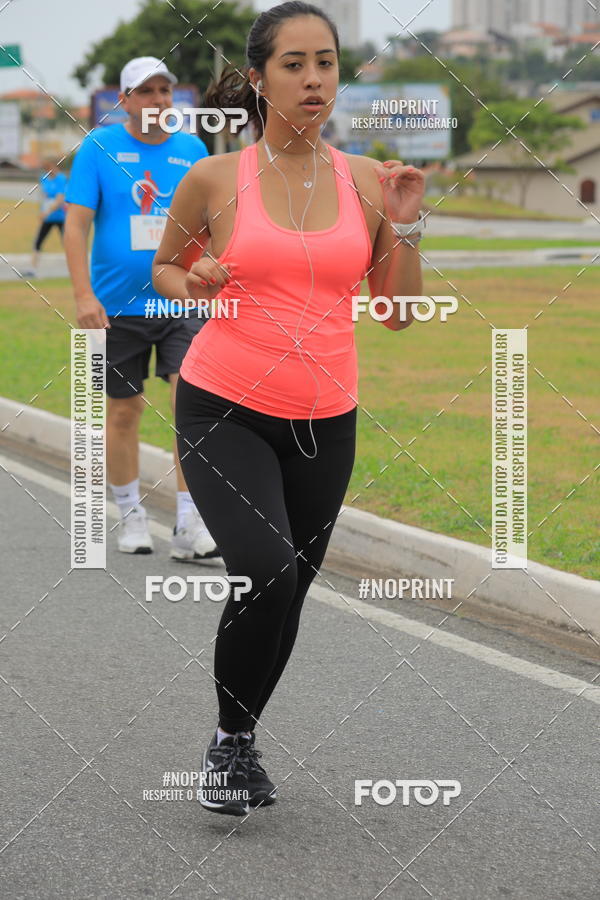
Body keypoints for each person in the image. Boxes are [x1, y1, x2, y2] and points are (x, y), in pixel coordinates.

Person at [152, 1, 425, 816]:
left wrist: (407, 232)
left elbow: (400, 313)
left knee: (291, 588)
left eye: (328, 62)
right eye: (295, 64)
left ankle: (238, 738)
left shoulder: (371, 181)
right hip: (221, 407)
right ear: (260, 77)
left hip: (325, 419)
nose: (314, 79)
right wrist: (192, 283)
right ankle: (230, 746)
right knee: (265, 568)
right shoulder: (212, 178)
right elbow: (165, 269)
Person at [65, 57, 220, 559]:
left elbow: (212, 224)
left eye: (164, 91)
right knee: (124, 411)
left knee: (188, 409)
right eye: (146, 91)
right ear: (125, 100)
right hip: (116, 307)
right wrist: (84, 296)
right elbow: (75, 226)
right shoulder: (98, 147)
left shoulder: (193, 149)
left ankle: (188, 526)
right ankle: (131, 515)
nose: (157, 100)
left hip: (181, 300)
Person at [25, 159, 68, 278]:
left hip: (60, 217)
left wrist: (47, 212)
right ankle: (32, 269)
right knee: (38, 242)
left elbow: (60, 200)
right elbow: (44, 196)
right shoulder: (44, 178)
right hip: (48, 218)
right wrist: (42, 212)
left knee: (68, 243)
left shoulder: (61, 179)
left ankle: (77, 268)